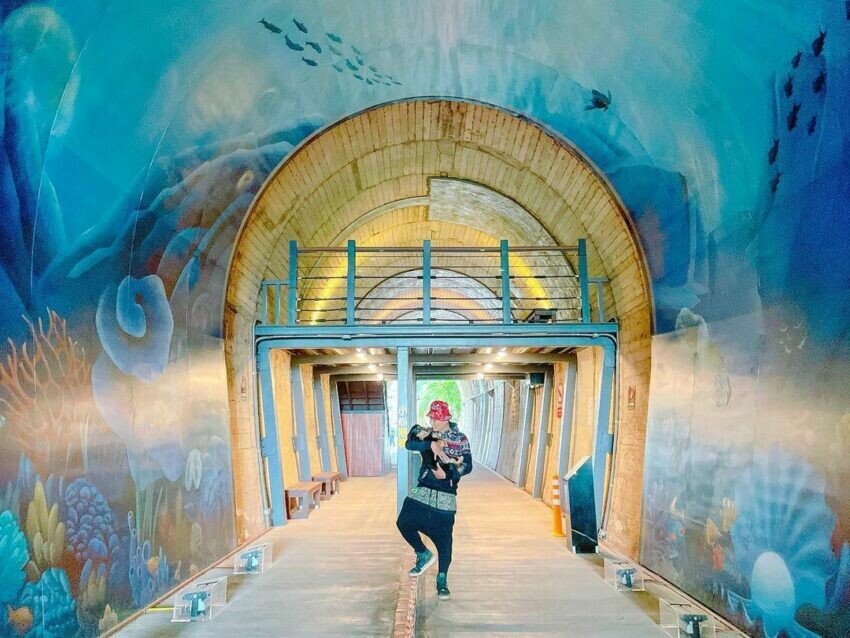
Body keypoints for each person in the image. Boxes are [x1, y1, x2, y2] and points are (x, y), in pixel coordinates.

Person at [396, 399, 472, 600]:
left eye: (436, 419)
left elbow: (468, 465)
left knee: (444, 540)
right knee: (404, 521)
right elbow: (408, 443)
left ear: (446, 418)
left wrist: (448, 474)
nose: (432, 422)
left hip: (446, 493)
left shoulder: (460, 439)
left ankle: (442, 581)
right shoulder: (428, 434)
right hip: (423, 488)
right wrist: (429, 443)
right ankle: (422, 553)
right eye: (431, 418)